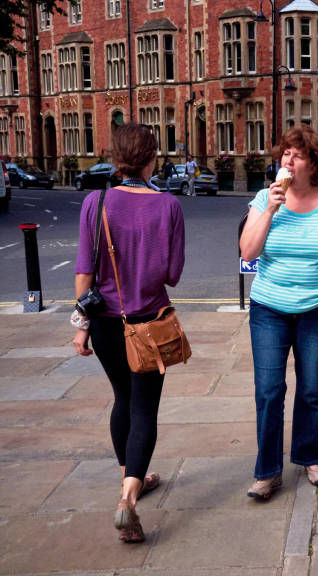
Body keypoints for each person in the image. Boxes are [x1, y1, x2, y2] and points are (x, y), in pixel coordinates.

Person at [72, 123, 186, 542]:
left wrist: (81, 326)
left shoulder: (95, 201)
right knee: (144, 409)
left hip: (104, 323)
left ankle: (129, 477)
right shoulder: (168, 205)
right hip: (150, 324)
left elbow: (84, 270)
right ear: (152, 158)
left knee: (122, 399)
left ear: (115, 158)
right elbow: (173, 274)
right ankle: (128, 499)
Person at [240, 125, 318, 499]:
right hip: (269, 308)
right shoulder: (264, 199)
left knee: (310, 388)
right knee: (269, 390)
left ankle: (308, 455)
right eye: (286, 154)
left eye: (298, 155)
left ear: (314, 163)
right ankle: (267, 471)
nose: (288, 161)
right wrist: (271, 209)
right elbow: (248, 252)